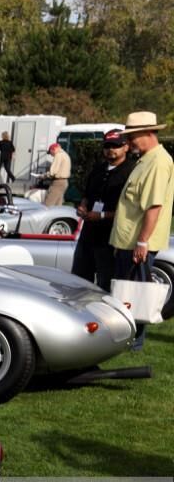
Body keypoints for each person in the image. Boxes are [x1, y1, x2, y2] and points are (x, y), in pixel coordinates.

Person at [110, 112, 172, 350]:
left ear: (148, 133)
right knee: (128, 292)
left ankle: (134, 341)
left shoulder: (157, 162)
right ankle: (128, 337)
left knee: (136, 293)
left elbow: (154, 206)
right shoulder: (145, 159)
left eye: (133, 136)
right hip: (129, 241)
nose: (130, 141)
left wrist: (143, 242)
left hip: (136, 242)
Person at [73, 130, 134, 291]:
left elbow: (130, 209)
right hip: (88, 233)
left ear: (126, 147)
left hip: (111, 237)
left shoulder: (131, 171)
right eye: (107, 146)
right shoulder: (98, 169)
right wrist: (83, 206)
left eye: (115, 146)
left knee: (105, 282)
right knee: (79, 278)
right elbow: (87, 194)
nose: (110, 150)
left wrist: (101, 215)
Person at [43, 143, 71, 207]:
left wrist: (43, 176)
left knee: (48, 205)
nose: (51, 155)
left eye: (50, 152)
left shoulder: (58, 155)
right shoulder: (65, 155)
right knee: (58, 205)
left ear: (53, 149)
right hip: (64, 182)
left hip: (58, 182)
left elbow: (53, 172)